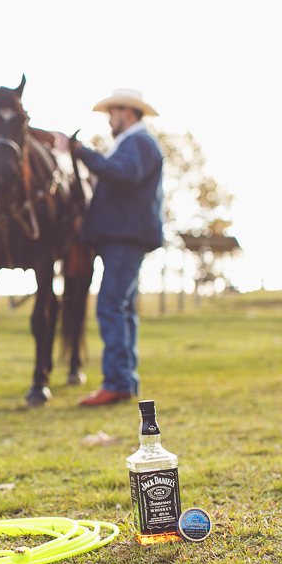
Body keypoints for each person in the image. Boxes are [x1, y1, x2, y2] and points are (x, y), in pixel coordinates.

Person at [69, 88, 164, 406]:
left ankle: (118, 382)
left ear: (127, 112)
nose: (109, 119)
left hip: (125, 236)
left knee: (111, 305)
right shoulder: (133, 143)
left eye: (112, 112)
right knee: (123, 309)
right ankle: (124, 381)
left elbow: (124, 176)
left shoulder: (138, 142)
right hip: (125, 236)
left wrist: (83, 153)